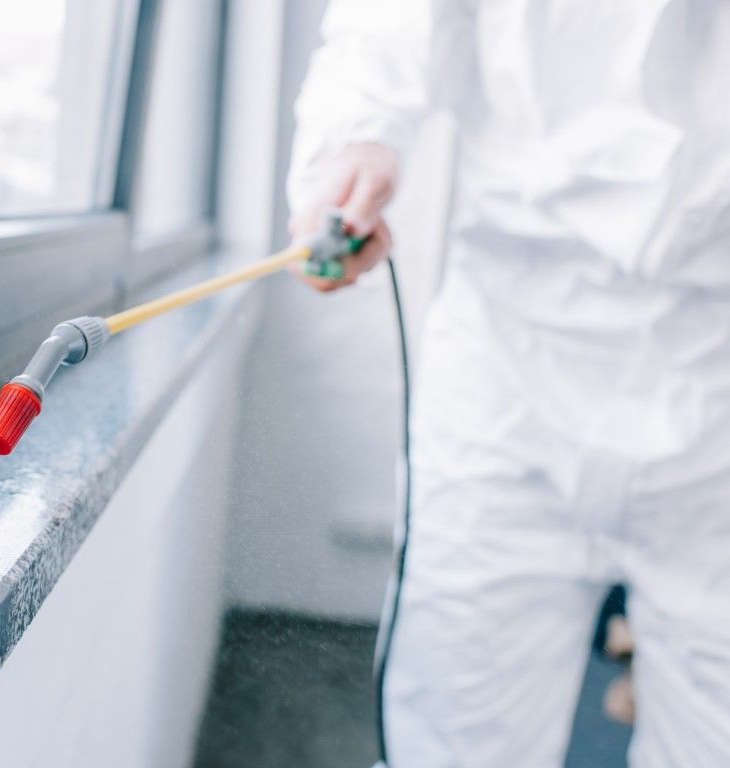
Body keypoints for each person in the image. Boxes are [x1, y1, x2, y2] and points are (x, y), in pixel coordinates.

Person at [286, 1, 730, 766]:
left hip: (713, 373)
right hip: (507, 368)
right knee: (458, 733)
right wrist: (352, 142)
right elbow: (386, 25)